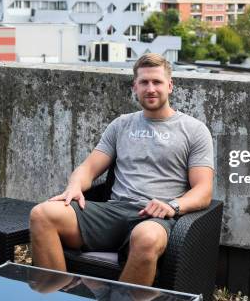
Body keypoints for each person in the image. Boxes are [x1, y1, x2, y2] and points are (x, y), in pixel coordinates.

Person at [29, 53, 214, 286]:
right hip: (113, 212)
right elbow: (88, 168)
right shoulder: (121, 125)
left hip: (155, 217)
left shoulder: (194, 130)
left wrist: (173, 206)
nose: (151, 88)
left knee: (145, 238)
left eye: (157, 82)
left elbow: (203, 190)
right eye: (144, 82)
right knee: (42, 214)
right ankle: (55, 294)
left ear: (170, 85)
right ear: (135, 86)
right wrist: (74, 186)